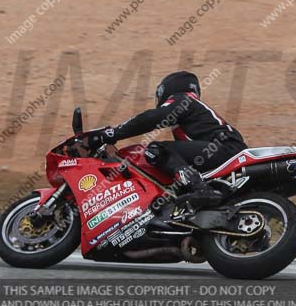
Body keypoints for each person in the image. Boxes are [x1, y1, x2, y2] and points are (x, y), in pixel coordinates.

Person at [86, 71, 247, 210]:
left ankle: (201, 189)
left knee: (157, 150)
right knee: (171, 163)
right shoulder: (194, 111)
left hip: (225, 148)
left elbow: (150, 118)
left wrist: (112, 134)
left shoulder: (183, 99)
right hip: (225, 150)